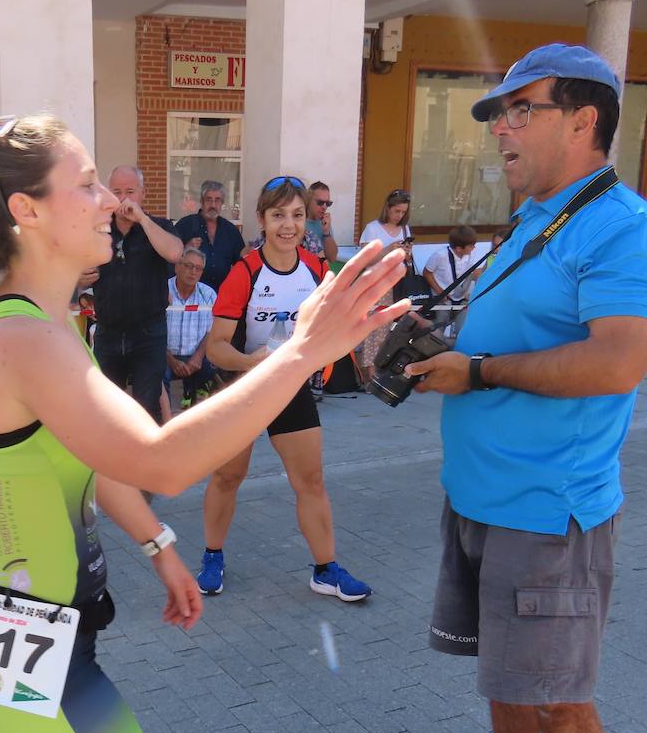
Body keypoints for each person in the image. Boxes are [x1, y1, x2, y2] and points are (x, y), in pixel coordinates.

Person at [0, 113, 407, 733]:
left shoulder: (37, 322)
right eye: (89, 184)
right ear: (27, 211)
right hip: (33, 657)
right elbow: (164, 459)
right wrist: (302, 349)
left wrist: (158, 544)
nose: (112, 201)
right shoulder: (26, 336)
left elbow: (98, 460)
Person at [404, 43, 647, 733]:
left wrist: (478, 370)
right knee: (512, 670)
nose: (501, 131)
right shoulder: (536, 217)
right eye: (497, 117)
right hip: (484, 494)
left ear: (582, 119)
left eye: (519, 110)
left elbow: (617, 358)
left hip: (548, 508)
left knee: (562, 692)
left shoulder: (625, 227)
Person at [194, 175, 374, 603]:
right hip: (244, 388)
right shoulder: (245, 273)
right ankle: (212, 556)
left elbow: (333, 331)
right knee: (228, 476)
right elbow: (216, 348)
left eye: (296, 215)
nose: (288, 225)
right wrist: (250, 362)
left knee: (310, 481)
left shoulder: (316, 271)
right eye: (278, 216)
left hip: (291, 389)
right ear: (262, 220)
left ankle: (325, 570)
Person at [91, 166, 184, 422]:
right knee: (106, 407)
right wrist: (79, 278)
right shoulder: (99, 228)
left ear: (143, 194)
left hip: (148, 334)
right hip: (108, 332)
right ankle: (110, 460)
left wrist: (142, 219)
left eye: (130, 191)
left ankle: (146, 459)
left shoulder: (159, 226)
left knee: (147, 405)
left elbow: (175, 253)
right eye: (117, 192)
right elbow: (75, 268)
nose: (123, 199)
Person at [356, 189, 420, 369]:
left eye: (403, 212)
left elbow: (407, 260)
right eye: (396, 211)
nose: (400, 216)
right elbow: (365, 258)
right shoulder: (373, 228)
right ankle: (370, 371)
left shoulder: (405, 229)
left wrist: (405, 253)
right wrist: (389, 250)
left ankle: (381, 367)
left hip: (397, 282)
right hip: (376, 281)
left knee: (388, 328)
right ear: (388, 208)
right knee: (372, 328)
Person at [163, 241, 220, 418]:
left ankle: (196, 407)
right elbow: (150, 330)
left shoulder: (209, 294)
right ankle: (164, 419)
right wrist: (171, 360)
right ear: (177, 267)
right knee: (154, 373)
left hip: (197, 355)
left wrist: (198, 357)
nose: (193, 272)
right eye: (188, 266)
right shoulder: (162, 290)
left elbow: (213, 329)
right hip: (164, 355)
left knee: (212, 366)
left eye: (198, 268)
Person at [172, 179, 245, 290]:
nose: (213, 205)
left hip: (222, 296)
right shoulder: (185, 225)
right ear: (201, 201)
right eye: (209, 200)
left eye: (217, 200)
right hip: (190, 297)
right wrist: (185, 249)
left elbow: (241, 265)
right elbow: (168, 260)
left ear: (222, 203)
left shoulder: (230, 231)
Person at [423, 224, 480, 338]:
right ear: (458, 248)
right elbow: (427, 272)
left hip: (461, 299)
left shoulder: (470, 256)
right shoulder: (440, 255)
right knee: (437, 332)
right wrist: (440, 292)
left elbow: (473, 274)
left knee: (462, 331)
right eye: (471, 246)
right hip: (442, 300)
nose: (474, 248)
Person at [306, 181, 339, 264]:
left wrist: (326, 233)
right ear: (308, 200)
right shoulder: (298, 221)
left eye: (328, 203)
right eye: (320, 202)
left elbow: (332, 258)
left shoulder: (324, 223)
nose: (324, 207)